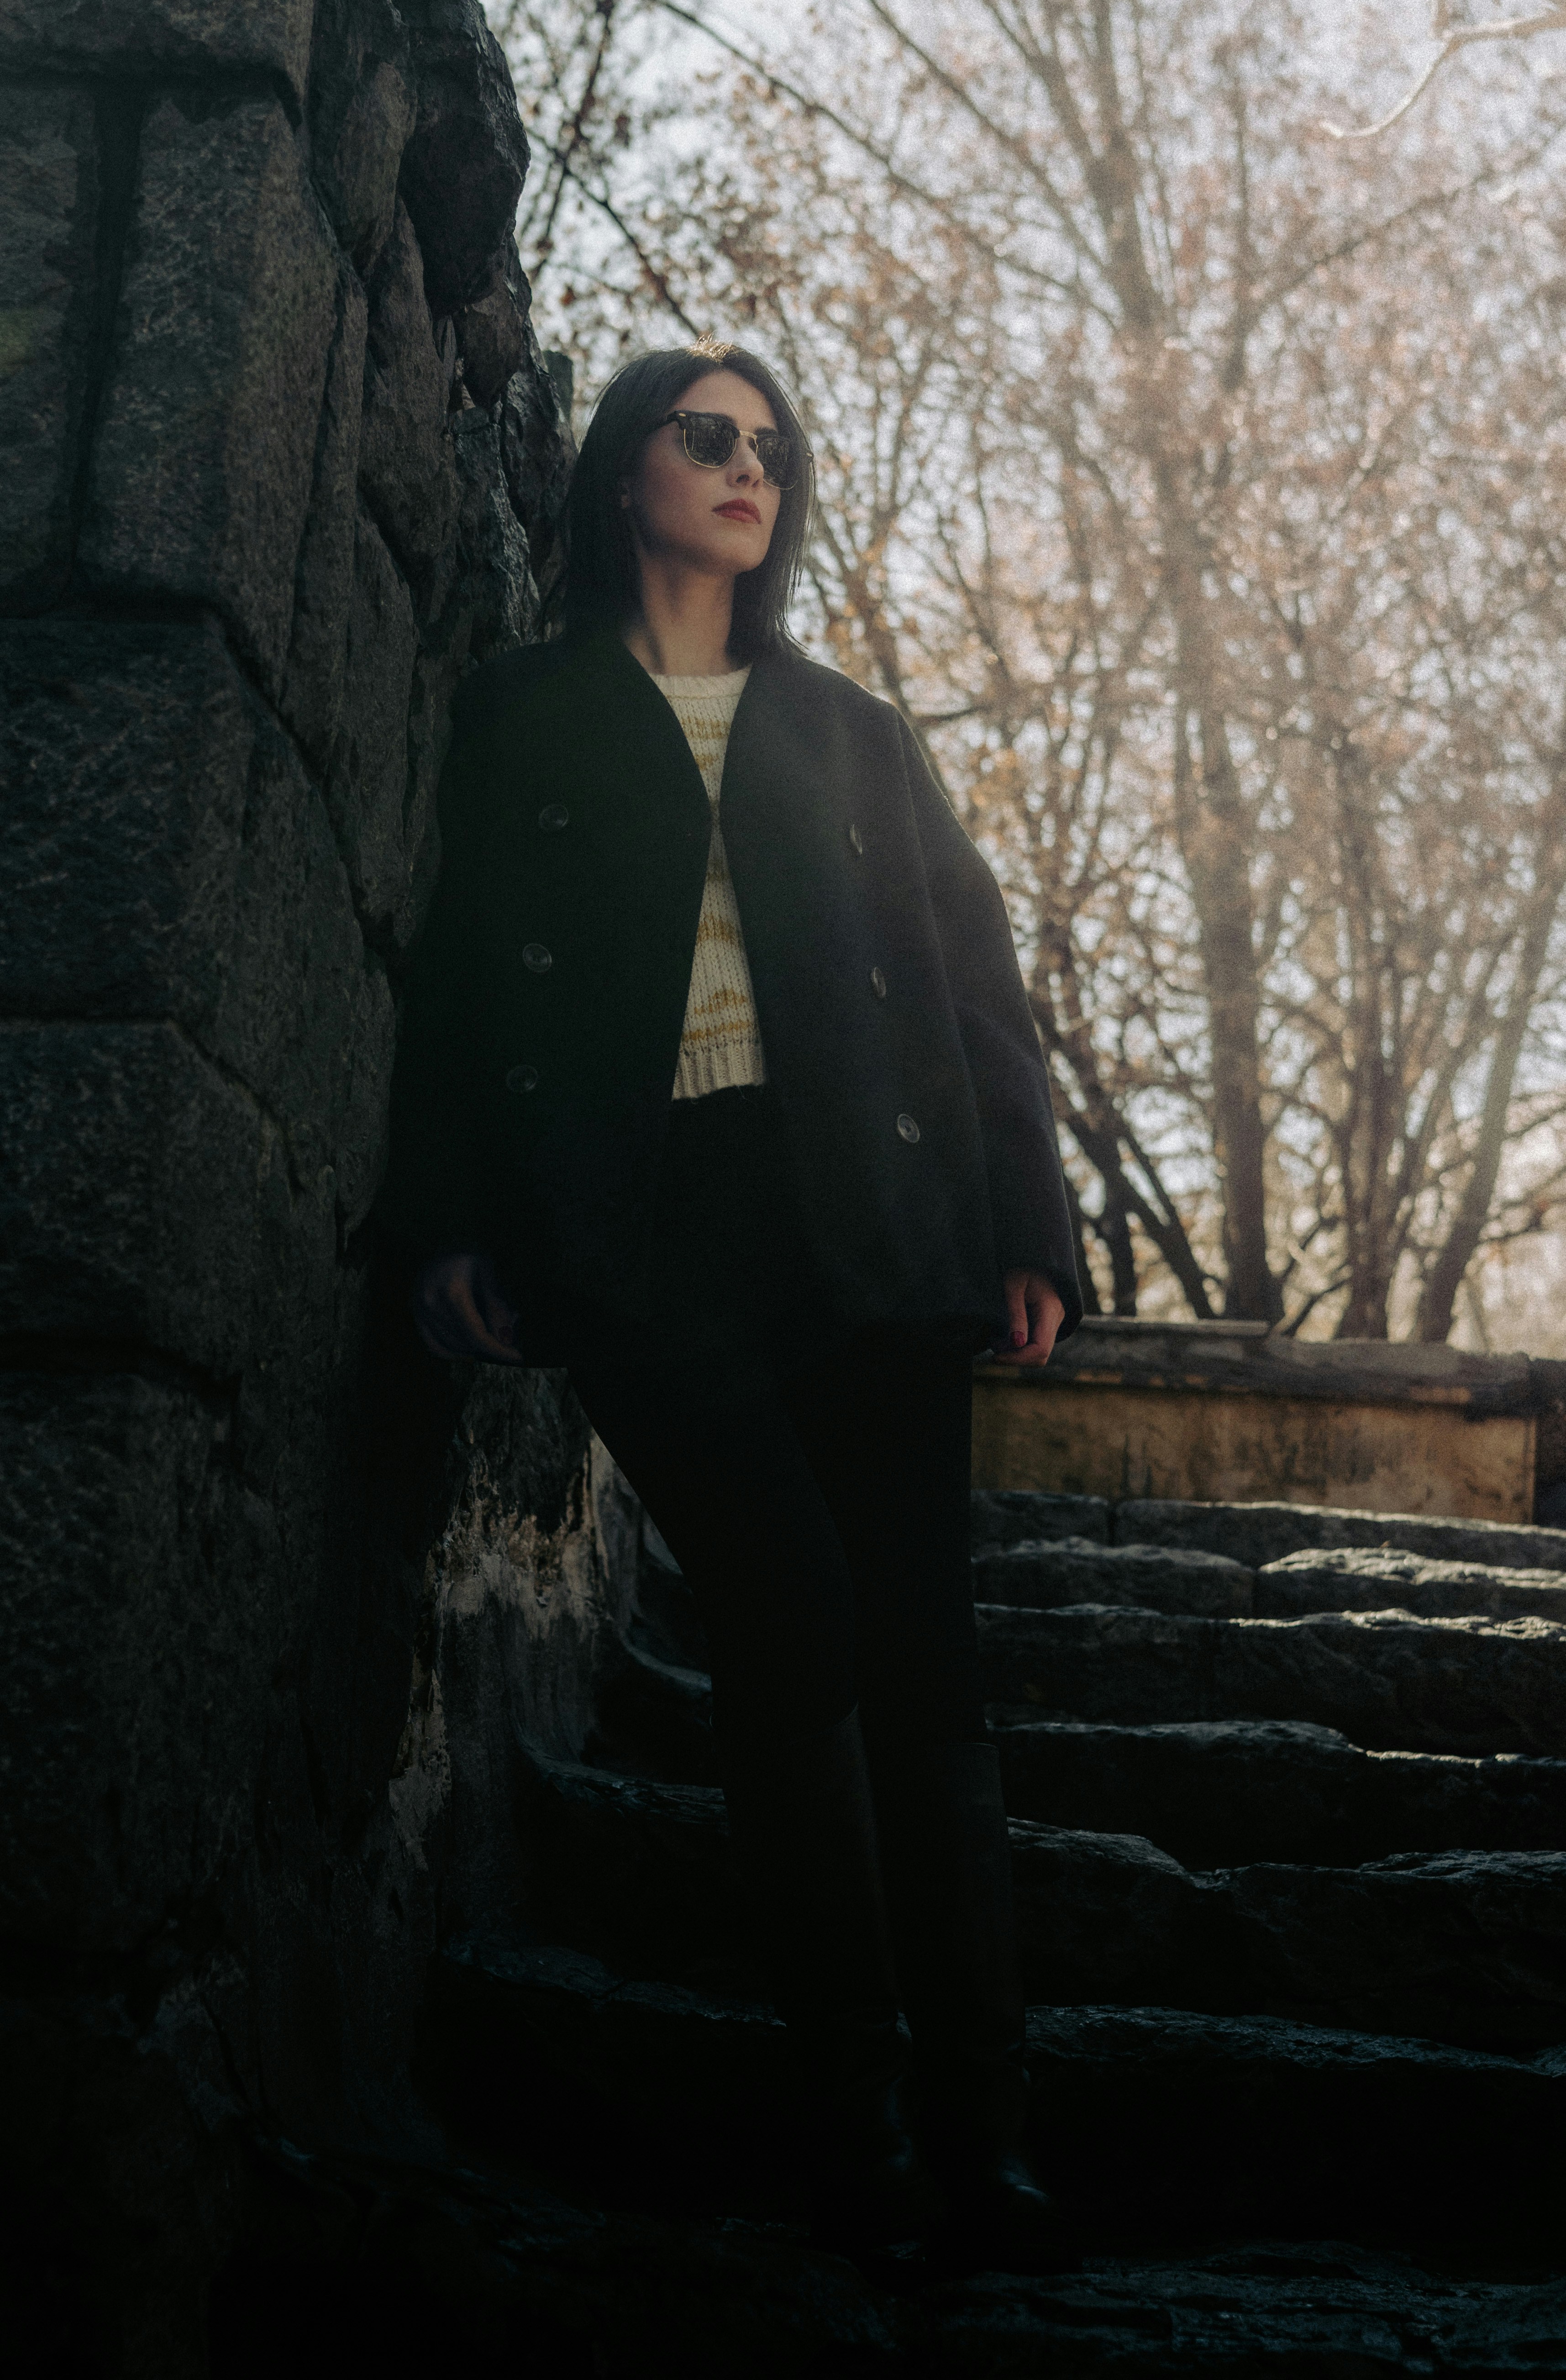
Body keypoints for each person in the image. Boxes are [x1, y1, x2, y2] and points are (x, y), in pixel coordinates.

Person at [381, 337, 1083, 2270]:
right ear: (627, 475)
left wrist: (1027, 1222)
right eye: (708, 436)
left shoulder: (853, 731)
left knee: (923, 1659)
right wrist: (450, 1218)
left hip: (867, 1218)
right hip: (648, 1233)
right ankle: (851, 2119)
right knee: (789, 1623)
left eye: (772, 446)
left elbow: (977, 985)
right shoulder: (521, 711)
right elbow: (459, 993)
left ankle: (982, 2128)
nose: (747, 466)